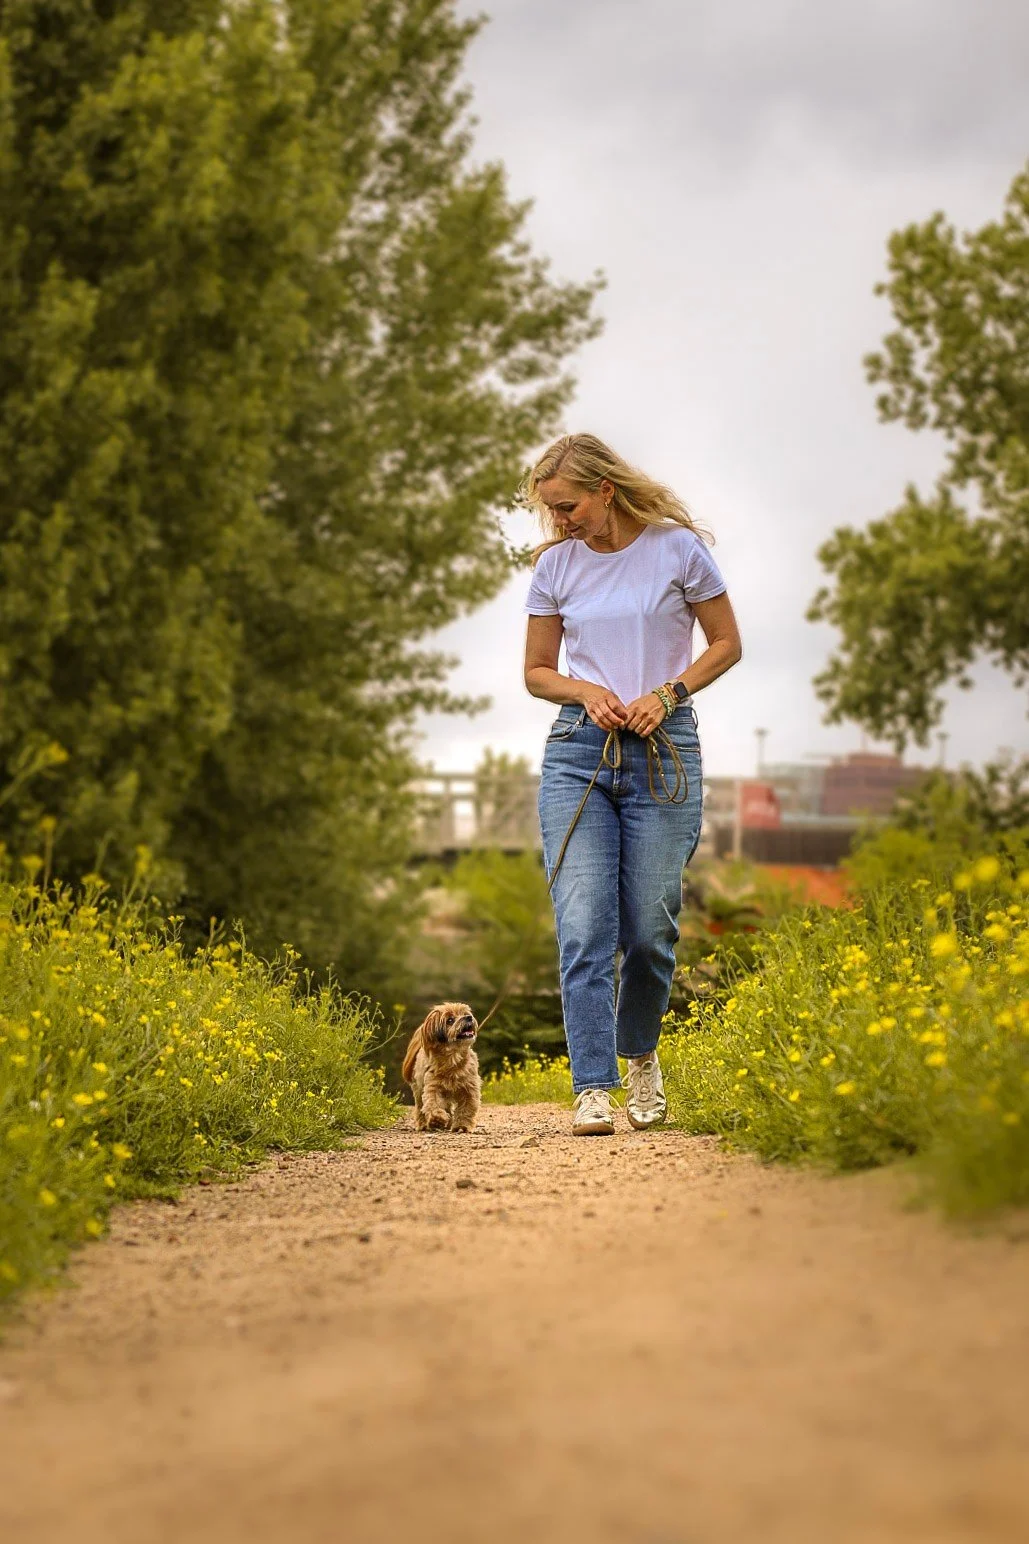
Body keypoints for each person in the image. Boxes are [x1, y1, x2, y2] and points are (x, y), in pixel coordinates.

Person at [522, 433, 742, 1136]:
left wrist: (669, 693)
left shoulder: (677, 550)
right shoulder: (555, 566)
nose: (559, 520)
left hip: (662, 750)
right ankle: (592, 1085)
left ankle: (640, 1055)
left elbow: (726, 643)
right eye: (551, 510)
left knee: (650, 929)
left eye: (567, 506)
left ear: (604, 490)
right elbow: (537, 672)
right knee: (583, 925)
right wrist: (585, 690)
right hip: (578, 755)